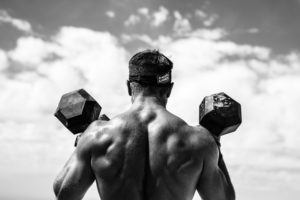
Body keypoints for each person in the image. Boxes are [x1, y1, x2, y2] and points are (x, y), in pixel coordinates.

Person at [53, 50, 235, 200]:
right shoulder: (199, 140)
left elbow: (64, 194)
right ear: (169, 89)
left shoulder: (97, 134)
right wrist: (215, 140)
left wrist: (84, 138)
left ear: (128, 86)